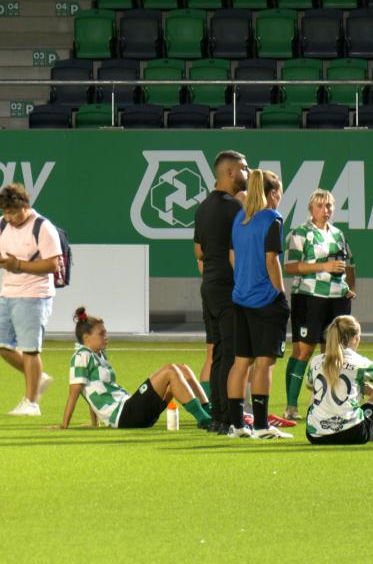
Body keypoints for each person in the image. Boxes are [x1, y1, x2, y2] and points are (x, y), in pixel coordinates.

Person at [58, 307, 212, 429]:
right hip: (124, 415)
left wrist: (95, 423)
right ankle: (204, 420)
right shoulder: (81, 356)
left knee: (182, 369)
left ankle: (210, 412)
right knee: (170, 370)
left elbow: (94, 390)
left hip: (131, 411)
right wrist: (64, 425)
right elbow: (74, 393)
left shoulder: (98, 354)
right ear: (86, 338)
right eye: (101, 334)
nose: (106, 337)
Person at [281, 189, 356, 421]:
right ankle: (291, 406)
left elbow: (350, 264)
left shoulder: (338, 234)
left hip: (337, 299)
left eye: (329, 206)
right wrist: (323, 267)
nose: (326, 210)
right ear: (311, 209)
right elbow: (290, 266)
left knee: (333, 352)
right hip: (309, 297)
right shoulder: (300, 233)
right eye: (320, 206)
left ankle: (326, 403)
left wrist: (350, 287)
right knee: (303, 350)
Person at [227, 169, 292, 439]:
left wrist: (245, 280)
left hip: (240, 299)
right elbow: (271, 260)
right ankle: (262, 426)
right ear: (273, 193)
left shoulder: (239, 218)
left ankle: (236, 425)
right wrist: (280, 292)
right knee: (264, 363)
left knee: (241, 362)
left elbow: (232, 257)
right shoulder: (272, 218)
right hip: (266, 301)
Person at [193, 150, 249, 433]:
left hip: (209, 287)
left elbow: (199, 252)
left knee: (217, 353)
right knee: (231, 354)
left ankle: (217, 417)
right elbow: (239, 251)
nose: (247, 173)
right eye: (244, 168)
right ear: (230, 172)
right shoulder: (234, 208)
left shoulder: (203, 208)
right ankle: (229, 418)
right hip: (229, 288)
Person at [0, 183, 62, 417]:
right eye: (5, 212)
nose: (9, 217)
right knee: (2, 345)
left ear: (25, 206)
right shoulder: (2, 225)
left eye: (13, 212)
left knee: (30, 350)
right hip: (7, 292)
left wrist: (18, 265)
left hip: (35, 295)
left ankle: (32, 403)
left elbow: (53, 264)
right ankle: (38, 377)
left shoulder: (43, 227)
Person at [304, 315, 373, 445]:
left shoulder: (316, 361)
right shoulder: (361, 363)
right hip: (354, 433)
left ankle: (320, 424)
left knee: (316, 389)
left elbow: (309, 385)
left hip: (316, 436)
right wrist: (371, 391)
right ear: (355, 339)